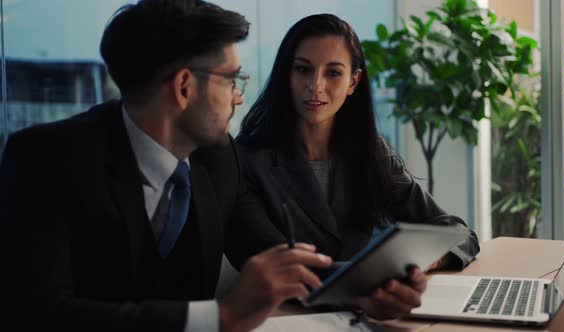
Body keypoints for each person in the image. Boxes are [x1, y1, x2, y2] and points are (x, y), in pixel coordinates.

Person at [0, 1, 334, 331]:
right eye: (232, 79)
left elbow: (274, 255)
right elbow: (36, 312)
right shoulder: (46, 159)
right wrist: (220, 317)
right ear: (184, 87)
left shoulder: (218, 157)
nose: (239, 96)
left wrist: (360, 288)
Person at [237, 14, 480, 319]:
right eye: (303, 69)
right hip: (290, 320)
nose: (316, 86)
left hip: (374, 318)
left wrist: (425, 262)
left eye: (333, 73)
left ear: (353, 82)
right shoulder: (246, 160)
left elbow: (459, 234)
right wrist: (374, 283)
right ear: (286, 74)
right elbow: (278, 270)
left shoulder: (372, 152)